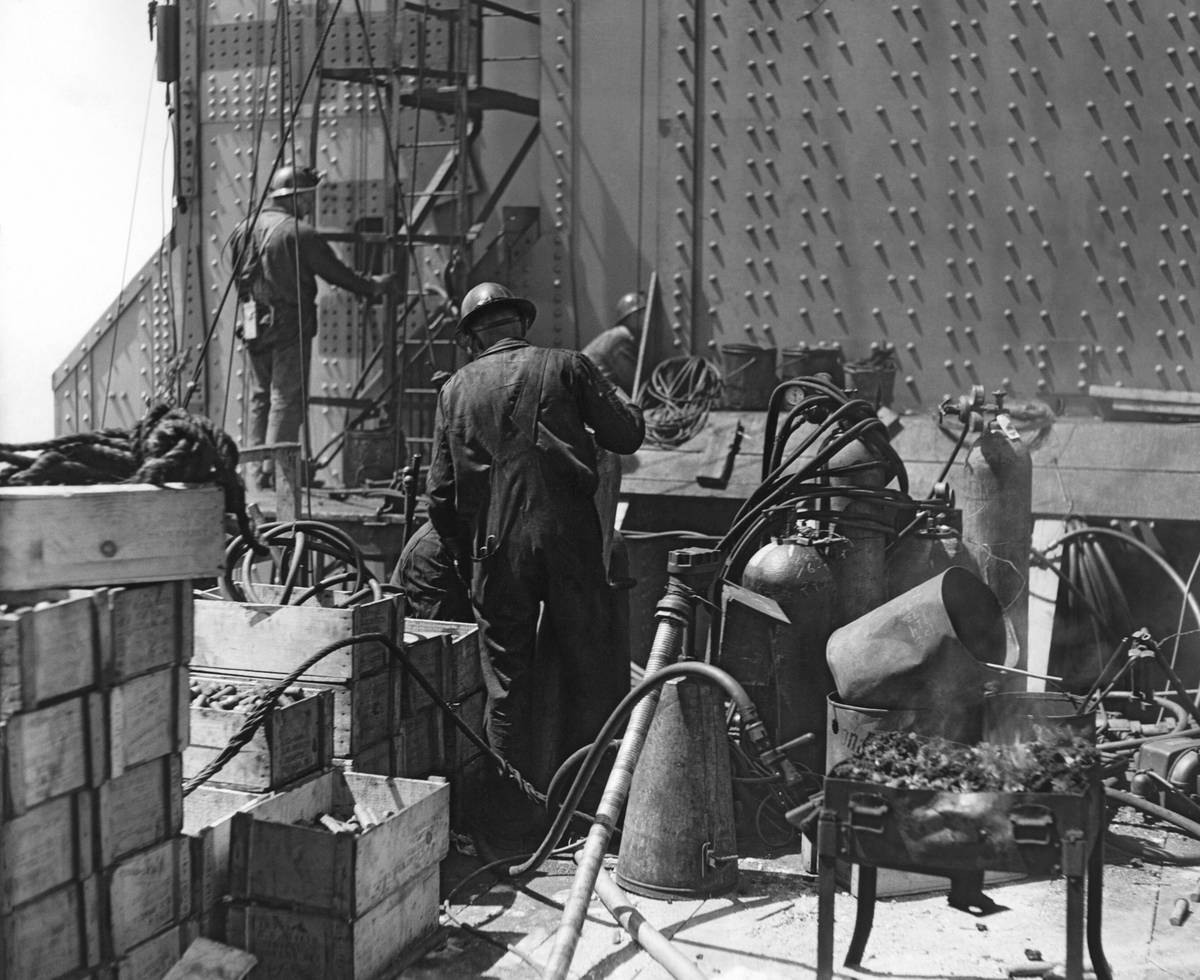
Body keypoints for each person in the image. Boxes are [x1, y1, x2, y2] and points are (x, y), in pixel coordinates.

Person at [426, 281, 645, 851]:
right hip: (569, 540)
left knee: (508, 687)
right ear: (518, 325)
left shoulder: (453, 392)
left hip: (495, 550)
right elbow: (627, 434)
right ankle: (593, 817)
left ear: (473, 337)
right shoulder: (567, 366)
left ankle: (513, 824)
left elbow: (441, 496)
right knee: (591, 672)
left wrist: (464, 554)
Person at [230, 164, 397, 487]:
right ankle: (279, 477)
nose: (309, 205)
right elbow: (339, 275)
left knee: (261, 397)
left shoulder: (242, 230)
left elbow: (237, 276)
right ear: (296, 197)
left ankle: (257, 473)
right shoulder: (299, 233)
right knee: (286, 398)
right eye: (307, 198)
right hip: (289, 323)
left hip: (252, 321)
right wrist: (375, 285)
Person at [581, 290, 646, 395]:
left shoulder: (616, 334)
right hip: (592, 393)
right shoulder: (621, 337)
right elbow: (632, 380)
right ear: (632, 317)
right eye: (642, 314)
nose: (646, 318)